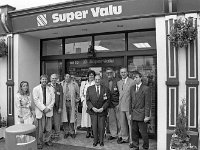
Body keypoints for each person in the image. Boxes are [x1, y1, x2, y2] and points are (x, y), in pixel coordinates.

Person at [86, 74, 110, 147]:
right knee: (94, 127)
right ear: (94, 80)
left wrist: (103, 108)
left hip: (102, 111)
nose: (97, 81)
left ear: (100, 80)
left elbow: (108, 100)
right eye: (96, 79)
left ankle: (101, 141)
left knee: (101, 127)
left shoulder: (105, 89)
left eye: (98, 79)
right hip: (93, 111)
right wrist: (92, 108)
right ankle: (95, 141)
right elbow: (87, 101)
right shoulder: (89, 88)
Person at [130, 71, 151, 150]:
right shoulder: (132, 88)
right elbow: (130, 102)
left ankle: (145, 146)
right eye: (134, 78)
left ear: (140, 78)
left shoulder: (146, 88)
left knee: (143, 133)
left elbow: (147, 104)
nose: (135, 79)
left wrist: (147, 116)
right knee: (134, 132)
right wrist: (129, 113)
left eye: (136, 77)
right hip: (134, 114)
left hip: (142, 115)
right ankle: (135, 147)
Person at [33, 74, 55, 149]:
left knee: (49, 127)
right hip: (40, 111)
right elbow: (36, 100)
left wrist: (48, 108)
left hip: (48, 110)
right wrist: (43, 108)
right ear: (40, 80)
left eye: (45, 79)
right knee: (40, 128)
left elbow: (53, 100)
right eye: (43, 79)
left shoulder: (51, 88)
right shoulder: (36, 89)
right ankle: (39, 142)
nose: (44, 81)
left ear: (47, 80)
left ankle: (47, 140)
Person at [117, 67, 135, 147]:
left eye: (124, 72)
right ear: (120, 73)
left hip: (129, 106)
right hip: (121, 106)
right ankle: (125, 138)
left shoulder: (132, 82)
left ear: (127, 73)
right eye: (121, 72)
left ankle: (132, 141)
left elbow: (134, 95)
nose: (123, 74)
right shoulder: (119, 82)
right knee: (122, 123)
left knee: (130, 124)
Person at [101, 67, 120, 140]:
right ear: (106, 74)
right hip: (109, 104)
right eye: (108, 73)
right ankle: (114, 134)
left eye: (110, 72)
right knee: (112, 120)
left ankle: (120, 135)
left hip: (117, 103)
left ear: (113, 73)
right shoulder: (103, 81)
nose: (109, 74)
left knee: (120, 120)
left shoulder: (118, 80)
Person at [61, 73, 80, 139]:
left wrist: (77, 100)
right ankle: (66, 132)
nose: (67, 78)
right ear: (64, 77)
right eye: (66, 76)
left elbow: (78, 94)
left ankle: (72, 132)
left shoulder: (75, 84)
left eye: (69, 77)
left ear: (70, 78)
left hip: (71, 103)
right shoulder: (61, 84)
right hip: (64, 103)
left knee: (72, 118)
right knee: (65, 118)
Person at [80, 70, 96, 138]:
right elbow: (81, 92)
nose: (91, 76)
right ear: (88, 76)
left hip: (93, 103)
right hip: (85, 103)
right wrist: (83, 100)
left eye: (92, 75)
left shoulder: (95, 82)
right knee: (86, 117)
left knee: (93, 117)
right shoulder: (84, 83)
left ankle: (93, 131)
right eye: (90, 75)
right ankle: (88, 131)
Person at [49, 74, 63, 141]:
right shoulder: (47, 86)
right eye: (52, 78)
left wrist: (60, 107)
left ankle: (57, 135)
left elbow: (61, 98)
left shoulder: (59, 86)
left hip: (57, 107)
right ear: (50, 79)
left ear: (57, 79)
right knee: (50, 122)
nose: (54, 79)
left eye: (55, 78)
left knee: (57, 122)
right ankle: (51, 135)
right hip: (49, 108)